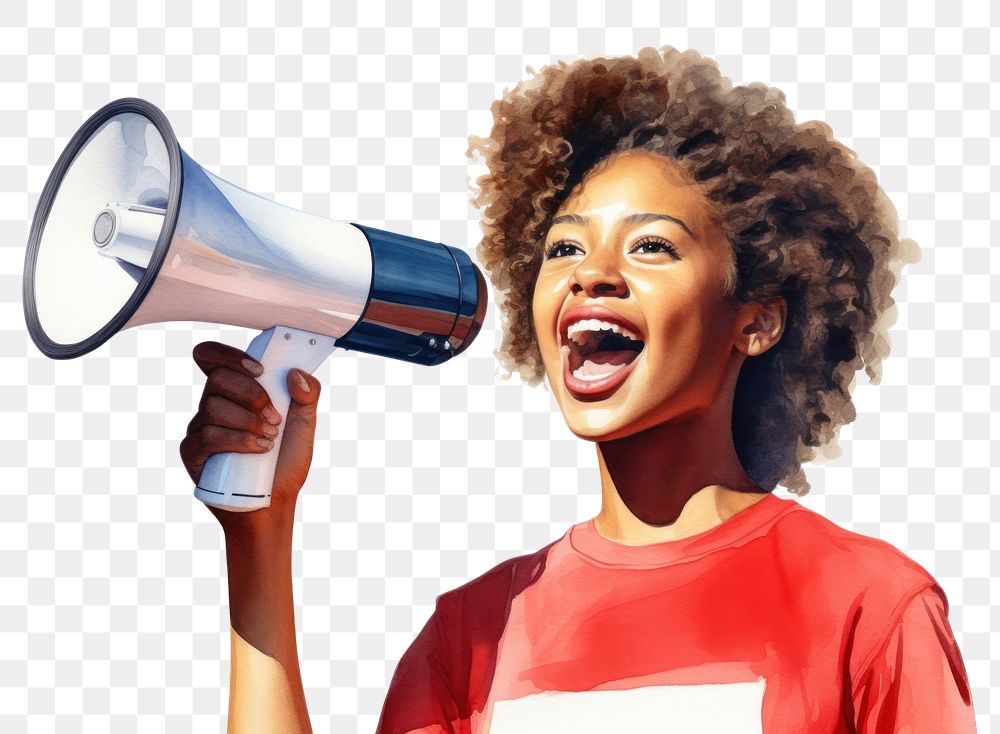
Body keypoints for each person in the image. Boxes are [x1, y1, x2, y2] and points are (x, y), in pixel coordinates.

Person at [180, 47, 976, 732]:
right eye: (563, 248)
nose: (591, 274)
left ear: (757, 323)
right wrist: (258, 535)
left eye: (653, 247)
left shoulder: (869, 605)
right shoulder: (474, 632)